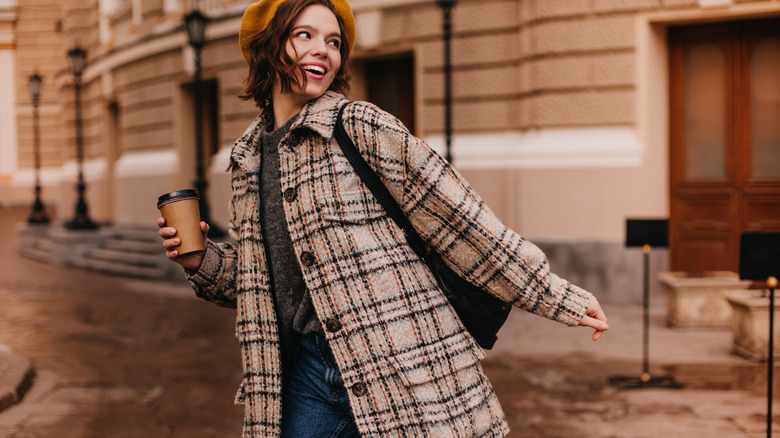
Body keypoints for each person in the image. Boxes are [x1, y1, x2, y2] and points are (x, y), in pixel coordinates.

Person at [157, 0, 610, 436]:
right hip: (311, 372)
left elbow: (464, 221)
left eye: (333, 42)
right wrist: (201, 263)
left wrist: (557, 295)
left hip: (403, 363)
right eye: (304, 35)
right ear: (269, 47)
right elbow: (267, 280)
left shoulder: (360, 126)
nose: (322, 50)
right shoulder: (248, 160)